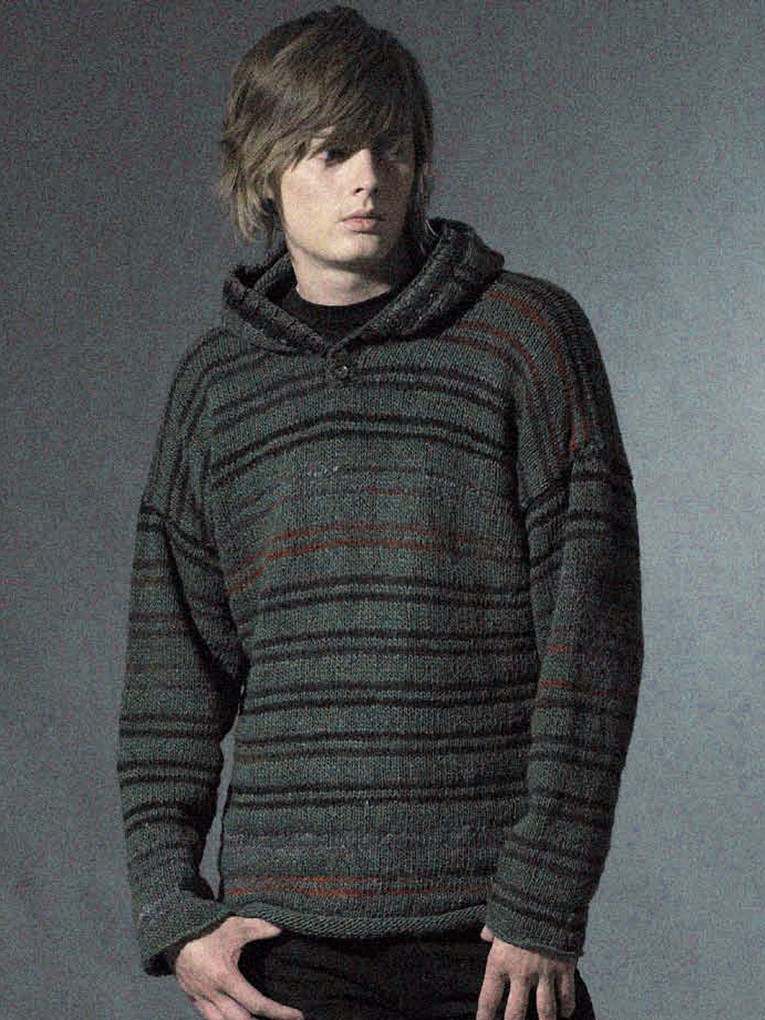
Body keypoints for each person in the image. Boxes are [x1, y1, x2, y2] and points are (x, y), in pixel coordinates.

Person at [115, 6, 643, 1020]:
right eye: (329, 151)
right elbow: (169, 678)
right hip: (283, 949)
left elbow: (593, 642)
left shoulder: (523, 341)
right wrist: (170, 911)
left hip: (491, 943)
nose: (367, 179)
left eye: (389, 148)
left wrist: (545, 897)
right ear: (265, 167)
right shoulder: (216, 388)